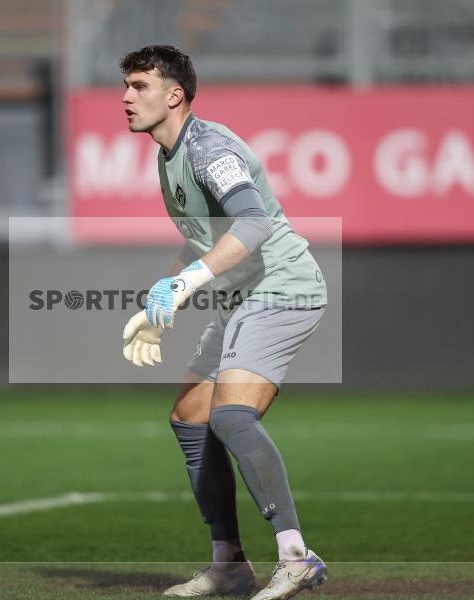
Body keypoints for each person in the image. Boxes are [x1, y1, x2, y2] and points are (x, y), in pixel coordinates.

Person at [119, 45, 328, 600]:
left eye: (139, 86)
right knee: (191, 417)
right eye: (126, 85)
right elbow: (201, 241)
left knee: (232, 416)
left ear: (174, 95)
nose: (126, 97)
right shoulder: (168, 157)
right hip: (241, 297)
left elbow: (254, 223)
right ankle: (229, 565)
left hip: (282, 288)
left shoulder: (209, 147)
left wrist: (186, 284)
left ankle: (296, 557)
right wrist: (162, 306)